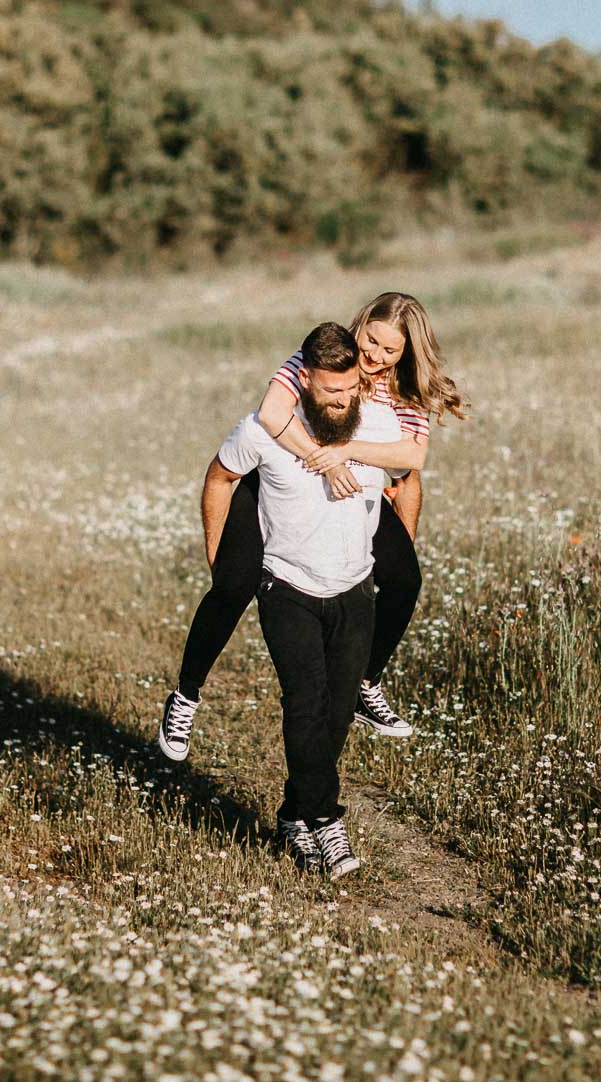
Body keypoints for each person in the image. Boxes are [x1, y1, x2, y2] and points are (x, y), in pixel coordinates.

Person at [157, 292, 467, 762]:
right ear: (359, 326)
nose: (375, 356)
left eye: (390, 350)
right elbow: (271, 414)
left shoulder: (403, 388)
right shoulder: (325, 355)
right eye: (371, 340)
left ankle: (365, 682)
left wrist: (347, 459)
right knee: (232, 584)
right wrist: (321, 461)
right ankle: (185, 696)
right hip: (276, 478)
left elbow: (410, 462)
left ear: (406, 353)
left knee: (404, 578)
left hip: (351, 484)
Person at [193, 322, 406, 876]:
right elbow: (218, 478)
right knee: (305, 705)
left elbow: (408, 477)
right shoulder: (263, 430)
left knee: (335, 718)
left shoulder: (378, 423)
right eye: (330, 391)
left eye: (350, 389)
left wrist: (400, 551)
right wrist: (222, 563)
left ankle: (293, 813)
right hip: (287, 586)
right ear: (304, 379)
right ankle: (327, 823)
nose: (342, 400)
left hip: (357, 589)